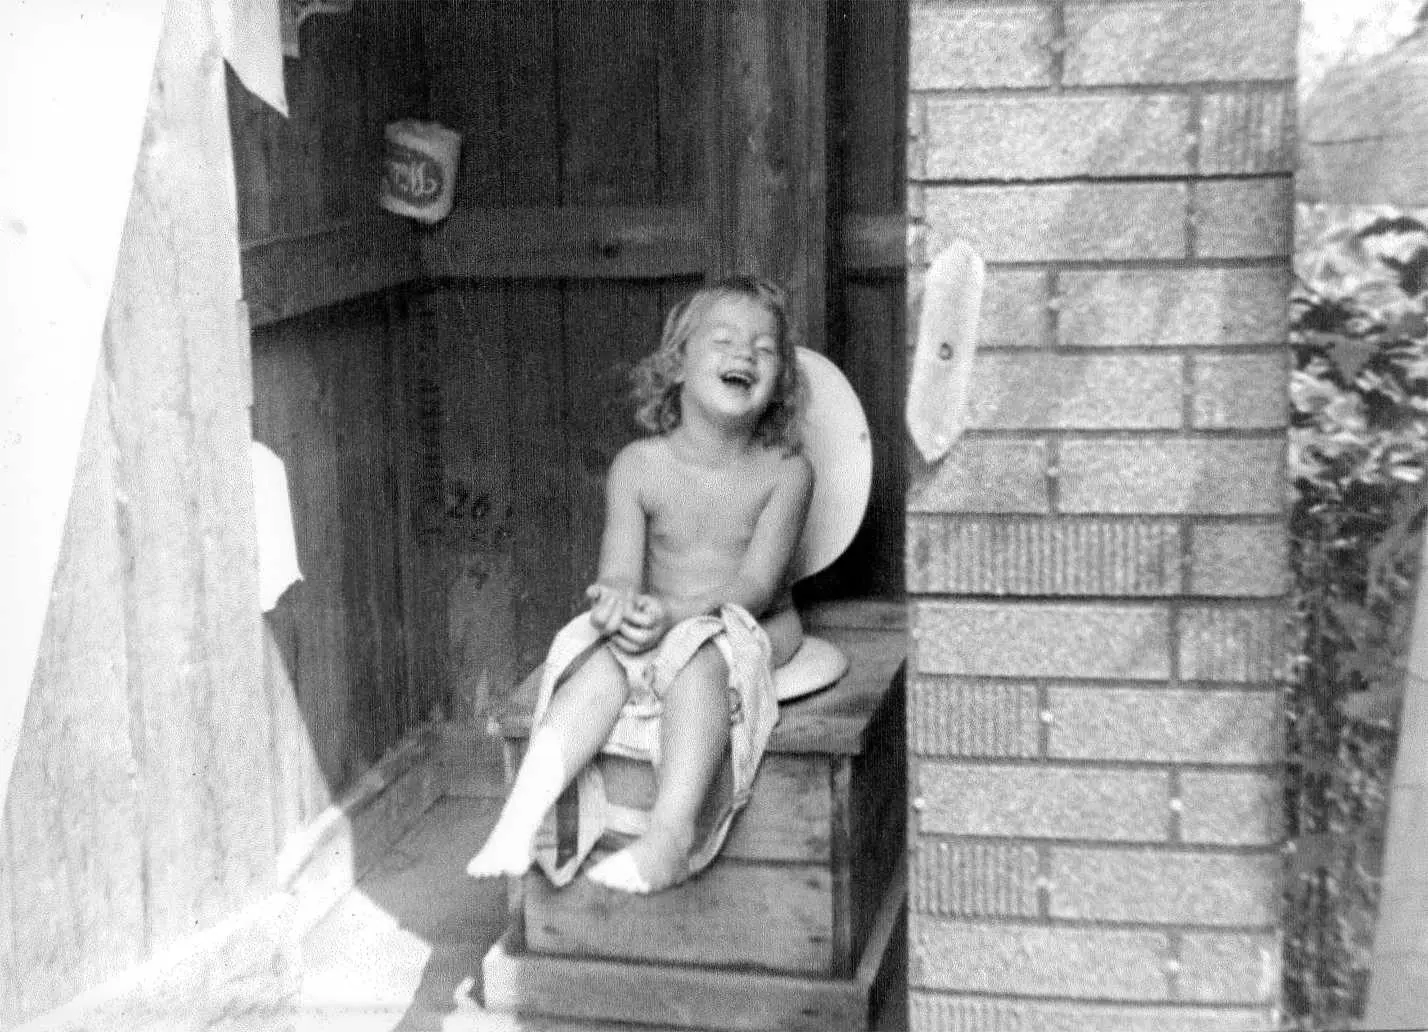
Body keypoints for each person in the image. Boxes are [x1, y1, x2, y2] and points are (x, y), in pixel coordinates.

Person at [466, 276, 813, 894]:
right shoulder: (639, 467)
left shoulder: (785, 472)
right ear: (678, 364)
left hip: (750, 621)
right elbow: (621, 571)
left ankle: (670, 840)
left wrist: (676, 613)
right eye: (726, 340)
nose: (745, 355)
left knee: (699, 659)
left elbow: (758, 583)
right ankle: (522, 816)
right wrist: (616, 601)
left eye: (765, 349)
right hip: (662, 618)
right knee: (601, 665)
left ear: (781, 380)